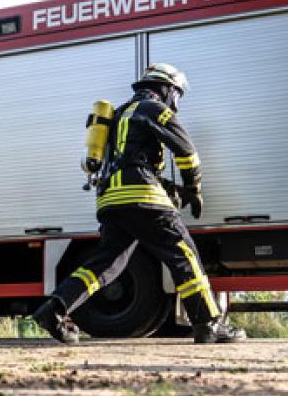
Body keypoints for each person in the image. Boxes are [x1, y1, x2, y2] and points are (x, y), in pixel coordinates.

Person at [32, 63, 244, 344]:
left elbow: (130, 162)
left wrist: (169, 188)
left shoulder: (118, 115)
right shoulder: (154, 109)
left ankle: (54, 309)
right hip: (143, 200)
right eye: (177, 94)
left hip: (110, 200)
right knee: (184, 255)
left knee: (104, 265)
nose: (177, 102)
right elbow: (186, 151)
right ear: (166, 89)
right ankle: (208, 323)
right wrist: (194, 188)